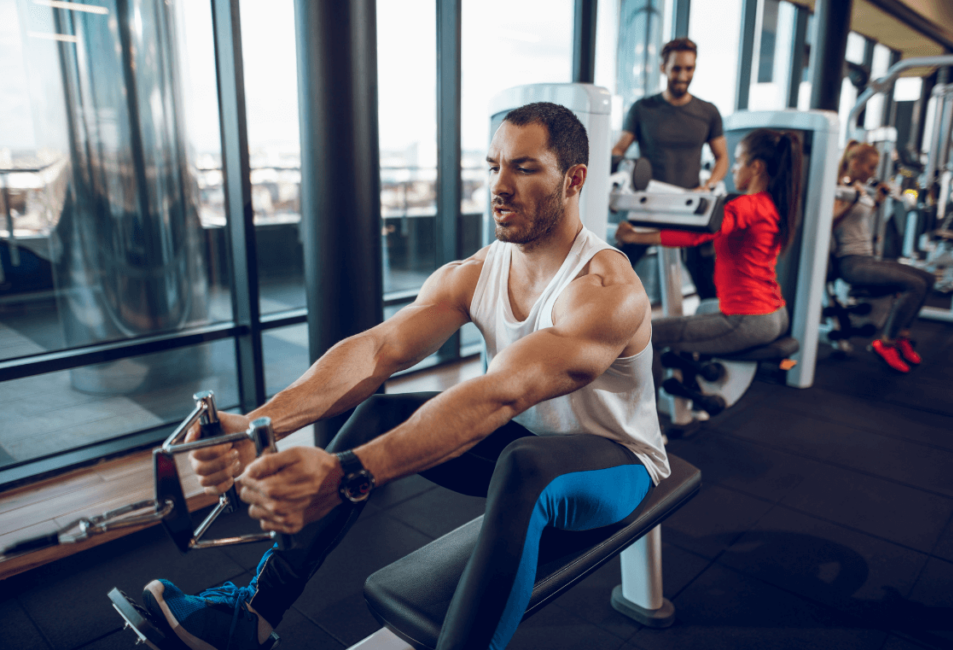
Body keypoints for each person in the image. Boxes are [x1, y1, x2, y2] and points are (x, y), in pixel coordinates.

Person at [139, 103, 669, 650]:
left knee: (524, 468)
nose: (499, 186)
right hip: (527, 441)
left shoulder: (607, 289)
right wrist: (255, 426)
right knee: (380, 414)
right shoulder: (477, 272)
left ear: (574, 178)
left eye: (525, 168)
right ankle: (251, 614)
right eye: (493, 167)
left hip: (615, 464)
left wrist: (348, 471)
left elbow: (503, 390)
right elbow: (380, 350)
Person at [615, 129, 801, 387]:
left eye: (737, 161)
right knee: (703, 309)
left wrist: (635, 237)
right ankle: (691, 380)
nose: (733, 169)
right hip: (775, 314)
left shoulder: (745, 205)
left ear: (756, 167)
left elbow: (699, 234)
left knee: (649, 334)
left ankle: (646, 424)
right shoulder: (772, 204)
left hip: (749, 319)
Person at [611, 37, 729, 299]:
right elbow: (620, 148)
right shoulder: (642, 109)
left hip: (689, 207)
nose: (683, 75)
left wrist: (707, 186)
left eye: (690, 69)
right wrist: (613, 174)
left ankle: (709, 334)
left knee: (708, 286)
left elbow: (722, 158)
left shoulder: (708, 112)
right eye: (677, 68)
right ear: (663, 68)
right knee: (613, 272)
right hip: (648, 205)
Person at [833, 141, 935, 373]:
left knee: (928, 279)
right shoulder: (838, 188)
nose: (873, 173)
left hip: (866, 258)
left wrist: (876, 201)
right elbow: (830, 223)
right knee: (914, 284)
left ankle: (901, 337)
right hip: (851, 262)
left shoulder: (856, 187)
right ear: (855, 163)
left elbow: (858, 220)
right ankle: (885, 342)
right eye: (870, 167)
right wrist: (853, 201)